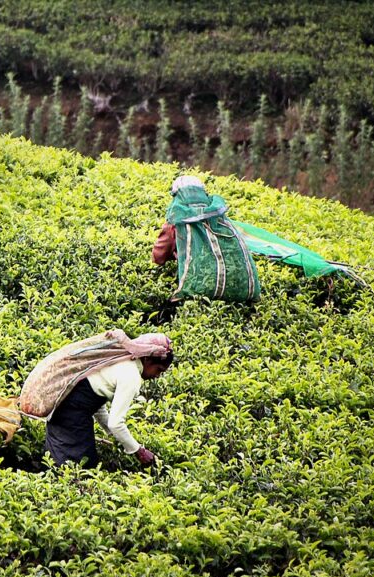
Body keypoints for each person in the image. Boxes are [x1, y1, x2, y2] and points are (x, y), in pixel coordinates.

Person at [19, 331, 173, 469]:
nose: (157, 376)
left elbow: (96, 404)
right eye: (158, 370)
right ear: (146, 359)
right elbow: (116, 423)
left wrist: (115, 436)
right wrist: (139, 451)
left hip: (65, 406)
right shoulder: (131, 375)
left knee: (62, 459)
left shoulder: (120, 361)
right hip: (71, 412)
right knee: (78, 465)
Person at [152, 175, 260, 302]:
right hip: (241, 288)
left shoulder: (176, 222)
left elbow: (158, 257)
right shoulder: (219, 216)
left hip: (201, 293)